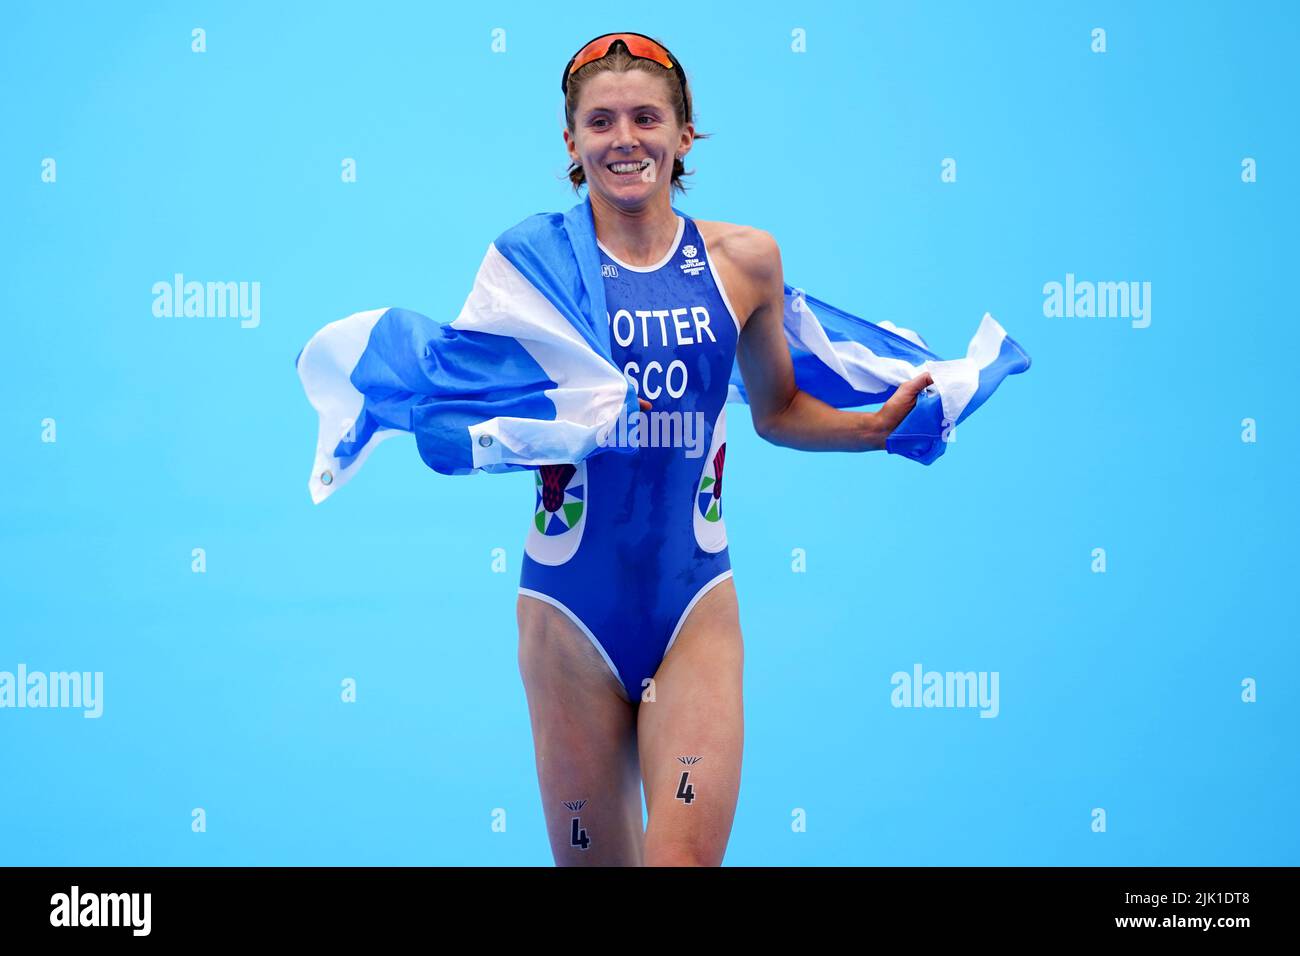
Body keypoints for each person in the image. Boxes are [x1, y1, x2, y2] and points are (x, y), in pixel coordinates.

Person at [514, 32, 934, 866]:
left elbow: (775, 408)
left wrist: (867, 427)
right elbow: (479, 402)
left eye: (645, 118)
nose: (623, 139)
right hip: (566, 617)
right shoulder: (533, 269)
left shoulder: (744, 263)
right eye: (600, 122)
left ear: (684, 135)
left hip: (694, 609)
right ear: (570, 141)